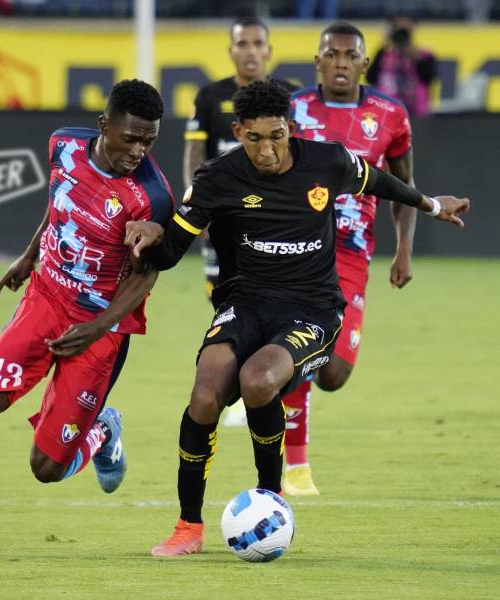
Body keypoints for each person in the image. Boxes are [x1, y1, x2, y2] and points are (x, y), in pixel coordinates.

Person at [124, 79, 469, 557]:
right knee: (204, 396)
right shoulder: (216, 179)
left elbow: (380, 180)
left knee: (258, 379)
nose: (267, 150)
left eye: (277, 136)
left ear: (291, 128)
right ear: (238, 132)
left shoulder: (328, 162)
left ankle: (273, 503)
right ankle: (188, 527)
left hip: (313, 309)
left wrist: (431, 205)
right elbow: (169, 254)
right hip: (244, 304)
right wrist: (151, 233)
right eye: (254, 138)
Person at [0, 79, 173, 519]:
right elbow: (60, 198)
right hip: (45, 300)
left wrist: (96, 327)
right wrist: (30, 256)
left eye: (149, 141)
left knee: (46, 468)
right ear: (104, 125)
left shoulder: (152, 197)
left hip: (99, 329)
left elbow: (145, 278)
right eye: (130, 139)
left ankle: (102, 431)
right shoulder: (63, 145)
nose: (139, 151)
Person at [282, 21, 418, 496]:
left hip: (352, 253)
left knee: (334, 373)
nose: (340, 62)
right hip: (297, 246)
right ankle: (295, 466)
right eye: (332, 54)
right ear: (317, 61)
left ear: (365, 63)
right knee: (297, 347)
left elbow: (404, 187)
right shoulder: (292, 109)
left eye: (349, 55)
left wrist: (404, 248)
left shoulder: (391, 115)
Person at [183, 16, 298, 428]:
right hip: (226, 222)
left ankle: (270, 386)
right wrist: (198, 205)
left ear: (269, 51)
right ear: (231, 50)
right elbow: (195, 156)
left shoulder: (290, 95)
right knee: (227, 303)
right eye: (242, 44)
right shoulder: (210, 96)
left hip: (275, 221)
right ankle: (244, 386)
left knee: (280, 302)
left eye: (257, 44)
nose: (250, 51)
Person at [365, 16, 437, 118]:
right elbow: (370, 78)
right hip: (386, 112)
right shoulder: (383, 54)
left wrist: (412, 55)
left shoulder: (424, 55)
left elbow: (429, 79)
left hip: (416, 112)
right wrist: (386, 43)